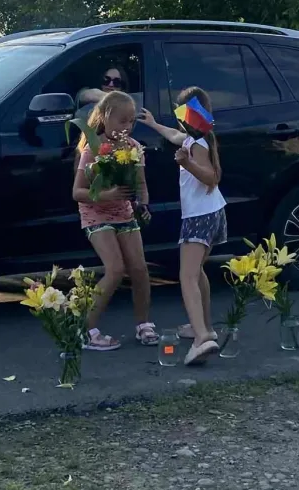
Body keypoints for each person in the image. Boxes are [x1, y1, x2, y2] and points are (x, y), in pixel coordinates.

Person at [138, 87, 226, 366]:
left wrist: (187, 164)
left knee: (186, 276)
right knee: (196, 271)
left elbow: (211, 177)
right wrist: (154, 124)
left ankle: (201, 338)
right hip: (212, 212)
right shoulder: (195, 137)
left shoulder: (198, 144)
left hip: (199, 216)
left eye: (182, 111)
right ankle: (204, 326)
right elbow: (176, 137)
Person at [72, 90, 158, 352]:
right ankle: (85, 330)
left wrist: (142, 205)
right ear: (105, 117)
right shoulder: (93, 149)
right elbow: (77, 192)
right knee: (115, 269)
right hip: (96, 214)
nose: (127, 127)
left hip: (124, 213)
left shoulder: (133, 148)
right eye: (122, 121)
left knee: (140, 269)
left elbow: (141, 185)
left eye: (131, 121)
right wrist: (106, 195)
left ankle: (143, 324)